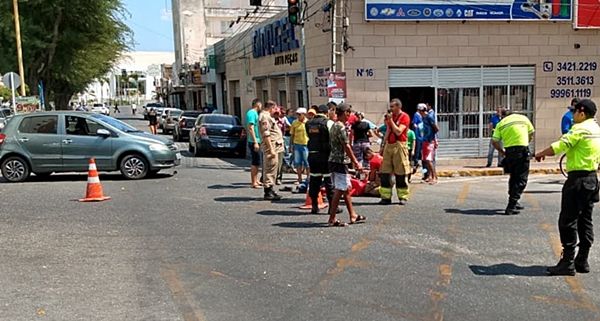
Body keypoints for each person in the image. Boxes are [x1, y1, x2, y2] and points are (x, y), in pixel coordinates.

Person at [535, 99, 600, 276]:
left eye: (574, 112)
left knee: (568, 220)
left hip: (577, 180)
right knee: (585, 220)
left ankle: (568, 262)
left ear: (581, 112)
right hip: (592, 179)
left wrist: (540, 154)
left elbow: (560, 146)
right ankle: (582, 260)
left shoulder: (580, 129)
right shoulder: (596, 129)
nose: (572, 115)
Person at [327, 103, 366, 226]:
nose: (350, 115)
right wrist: (355, 162)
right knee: (340, 189)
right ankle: (332, 218)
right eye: (348, 112)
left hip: (333, 160)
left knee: (346, 189)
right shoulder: (341, 127)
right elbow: (347, 146)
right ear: (345, 113)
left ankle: (352, 214)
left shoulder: (334, 125)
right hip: (340, 161)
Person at [491, 110, 535, 215]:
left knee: (513, 177)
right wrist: (526, 142)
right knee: (521, 179)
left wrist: (502, 152)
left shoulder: (501, 123)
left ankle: (514, 202)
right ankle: (511, 206)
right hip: (522, 150)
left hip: (509, 152)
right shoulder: (523, 118)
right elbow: (531, 133)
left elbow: (494, 141)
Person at [379, 99, 411, 205]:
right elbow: (388, 130)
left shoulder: (405, 117)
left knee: (400, 172)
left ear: (398, 107)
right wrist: (383, 146)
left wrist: (391, 120)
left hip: (399, 145)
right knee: (384, 172)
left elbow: (398, 131)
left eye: (392, 107)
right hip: (389, 145)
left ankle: (402, 196)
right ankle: (386, 197)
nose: (390, 109)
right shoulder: (390, 117)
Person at [306, 104, 335, 214]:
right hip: (326, 155)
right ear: (326, 112)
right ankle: (332, 207)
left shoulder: (308, 123)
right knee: (329, 181)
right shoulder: (329, 123)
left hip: (312, 154)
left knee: (314, 179)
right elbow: (333, 138)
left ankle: (314, 205)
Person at [259, 101, 284, 200]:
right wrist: (271, 149)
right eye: (275, 109)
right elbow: (266, 134)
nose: (275, 111)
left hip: (276, 145)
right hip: (272, 146)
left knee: (273, 168)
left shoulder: (268, 116)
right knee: (270, 167)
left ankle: (271, 188)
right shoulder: (265, 117)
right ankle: (268, 191)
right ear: (271, 107)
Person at [419, 105, 439, 184]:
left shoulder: (429, 117)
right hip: (425, 140)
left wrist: (432, 137)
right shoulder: (423, 118)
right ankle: (430, 176)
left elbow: (436, 128)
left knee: (429, 160)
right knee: (426, 160)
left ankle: (435, 177)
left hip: (430, 141)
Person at [246, 99, 263, 188]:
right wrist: (255, 142)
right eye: (260, 105)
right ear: (257, 104)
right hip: (253, 141)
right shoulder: (252, 113)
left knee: (257, 162)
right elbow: (251, 127)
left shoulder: (255, 113)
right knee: (255, 162)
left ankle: (256, 180)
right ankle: (254, 182)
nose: (261, 107)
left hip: (257, 140)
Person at [290, 107, 310, 184]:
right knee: (298, 162)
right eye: (297, 114)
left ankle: (308, 178)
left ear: (304, 115)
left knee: (307, 162)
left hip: (306, 144)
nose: (297, 116)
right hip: (297, 144)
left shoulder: (308, 123)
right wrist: (291, 145)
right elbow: (292, 135)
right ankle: (299, 179)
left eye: (299, 114)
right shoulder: (294, 123)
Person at [412, 104, 425, 172]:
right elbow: (414, 124)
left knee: (420, 149)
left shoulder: (420, 115)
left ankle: (419, 160)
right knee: (417, 148)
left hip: (421, 134)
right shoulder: (416, 115)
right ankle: (416, 161)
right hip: (418, 134)